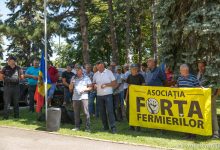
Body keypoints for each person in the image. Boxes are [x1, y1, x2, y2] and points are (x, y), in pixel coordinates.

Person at [197, 60, 220, 139]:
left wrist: (213, 94)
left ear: (205, 66)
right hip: (203, 97)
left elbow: (216, 85)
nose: (200, 68)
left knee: (212, 113)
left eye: (202, 66)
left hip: (212, 96)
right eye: (199, 66)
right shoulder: (199, 73)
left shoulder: (209, 74)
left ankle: (216, 133)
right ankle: (208, 131)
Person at [177, 64, 200, 139]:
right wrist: (174, 87)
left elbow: (197, 87)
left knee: (192, 118)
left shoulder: (193, 78)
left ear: (185, 70)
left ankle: (193, 134)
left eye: (181, 70)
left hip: (192, 101)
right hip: (183, 102)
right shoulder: (179, 78)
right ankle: (187, 134)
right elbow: (178, 86)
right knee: (184, 117)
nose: (180, 72)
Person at [93, 61, 117, 133]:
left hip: (108, 95)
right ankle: (105, 127)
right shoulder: (95, 74)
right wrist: (94, 86)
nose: (100, 68)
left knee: (110, 111)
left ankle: (113, 127)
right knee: (102, 112)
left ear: (103, 66)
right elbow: (93, 83)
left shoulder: (109, 72)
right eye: (98, 67)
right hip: (99, 95)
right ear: (96, 67)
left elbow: (114, 83)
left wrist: (106, 85)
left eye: (101, 66)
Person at [69, 65, 92, 131]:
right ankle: (77, 127)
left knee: (86, 112)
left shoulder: (86, 77)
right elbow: (70, 89)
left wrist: (84, 90)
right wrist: (72, 83)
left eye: (78, 70)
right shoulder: (73, 77)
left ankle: (87, 128)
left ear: (81, 70)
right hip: (75, 98)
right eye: (76, 70)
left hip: (84, 97)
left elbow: (91, 87)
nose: (77, 71)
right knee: (76, 113)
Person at [126, 64, 145, 131]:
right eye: (132, 69)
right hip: (130, 97)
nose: (134, 70)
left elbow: (143, 86)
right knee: (128, 112)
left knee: (137, 112)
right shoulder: (129, 76)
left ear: (137, 69)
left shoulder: (140, 76)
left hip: (138, 97)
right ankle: (131, 126)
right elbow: (128, 87)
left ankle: (138, 126)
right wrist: (126, 97)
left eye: (135, 69)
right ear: (130, 70)